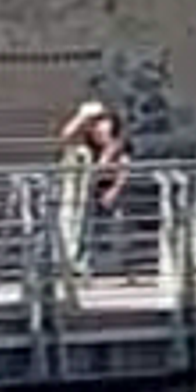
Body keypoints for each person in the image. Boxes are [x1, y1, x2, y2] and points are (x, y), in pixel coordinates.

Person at [56, 89, 125, 268]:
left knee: (102, 233)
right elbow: (65, 136)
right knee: (75, 227)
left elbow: (121, 168)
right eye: (95, 125)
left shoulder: (116, 145)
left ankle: (96, 264)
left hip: (105, 193)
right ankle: (77, 263)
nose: (98, 130)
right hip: (84, 194)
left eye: (102, 123)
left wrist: (114, 190)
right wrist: (81, 116)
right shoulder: (86, 145)